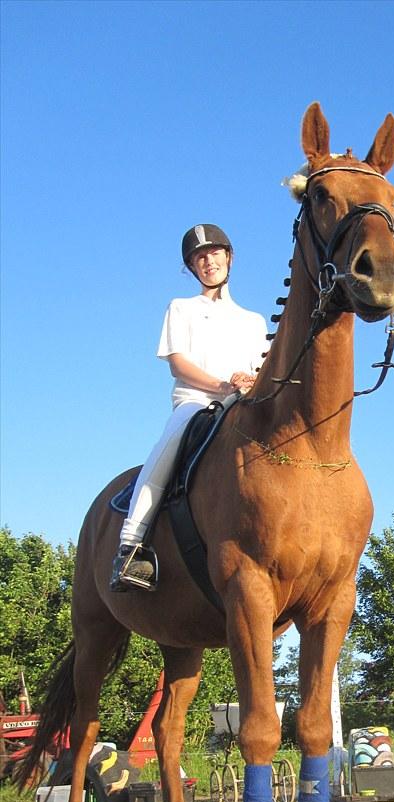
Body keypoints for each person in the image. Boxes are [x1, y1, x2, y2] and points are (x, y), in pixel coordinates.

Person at [110, 223, 268, 592]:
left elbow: (262, 370)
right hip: (196, 401)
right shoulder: (181, 308)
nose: (207, 261)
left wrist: (248, 383)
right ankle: (131, 546)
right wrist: (222, 384)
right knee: (176, 433)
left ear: (228, 257)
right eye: (199, 257)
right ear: (192, 268)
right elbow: (178, 364)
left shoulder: (254, 321)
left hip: (241, 403)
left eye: (213, 253)